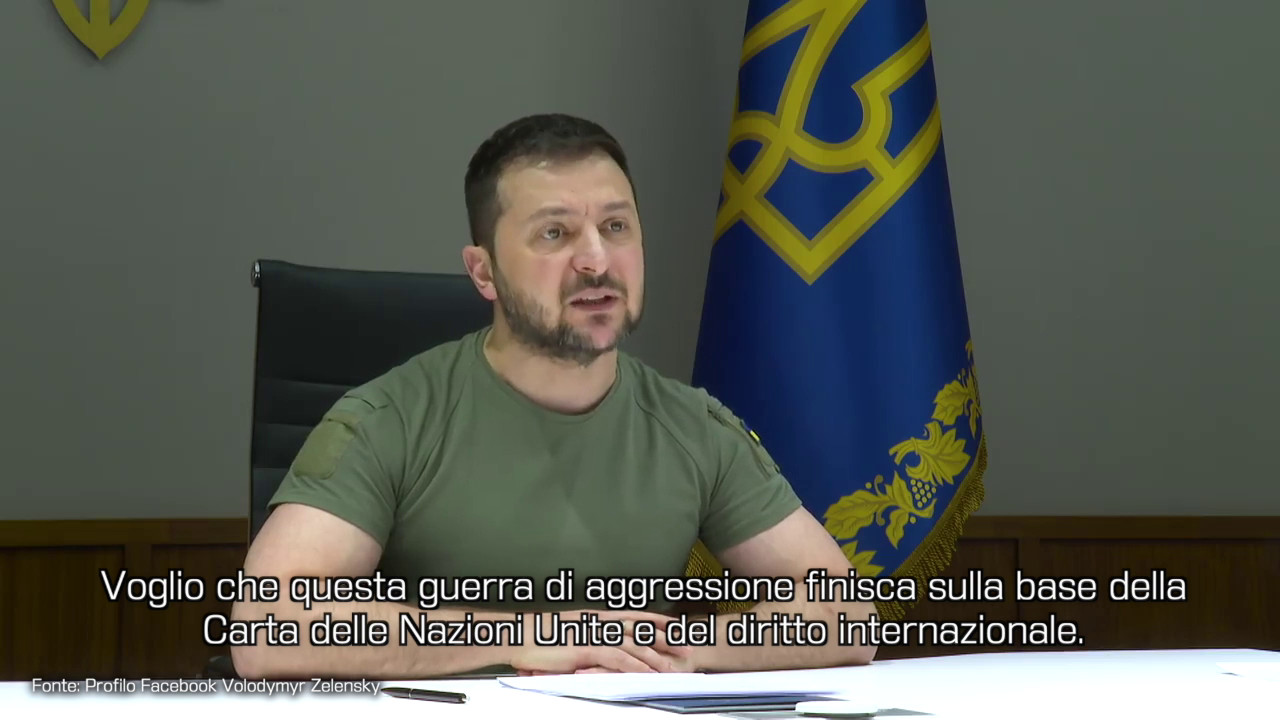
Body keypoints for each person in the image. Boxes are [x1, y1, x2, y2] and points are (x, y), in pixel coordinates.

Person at [230, 113, 877, 680]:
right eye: (554, 234)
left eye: (616, 226)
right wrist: (529, 636)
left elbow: (846, 615)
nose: (596, 260)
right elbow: (266, 625)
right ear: (484, 272)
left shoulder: (693, 427)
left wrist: (676, 648)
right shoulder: (387, 419)